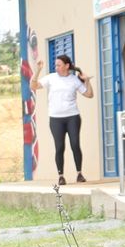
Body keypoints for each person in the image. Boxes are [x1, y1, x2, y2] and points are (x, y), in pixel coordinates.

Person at [39, 54, 92, 185]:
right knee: (59, 147)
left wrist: (87, 81)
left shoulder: (74, 80)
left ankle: (79, 174)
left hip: (72, 117)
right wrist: (38, 70)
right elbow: (33, 86)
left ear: (67, 66)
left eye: (58, 65)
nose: (56, 67)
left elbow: (89, 94)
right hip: (56, 119)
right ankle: (61, 176)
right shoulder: (51, 78)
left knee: (75, 144)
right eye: (56, 65)